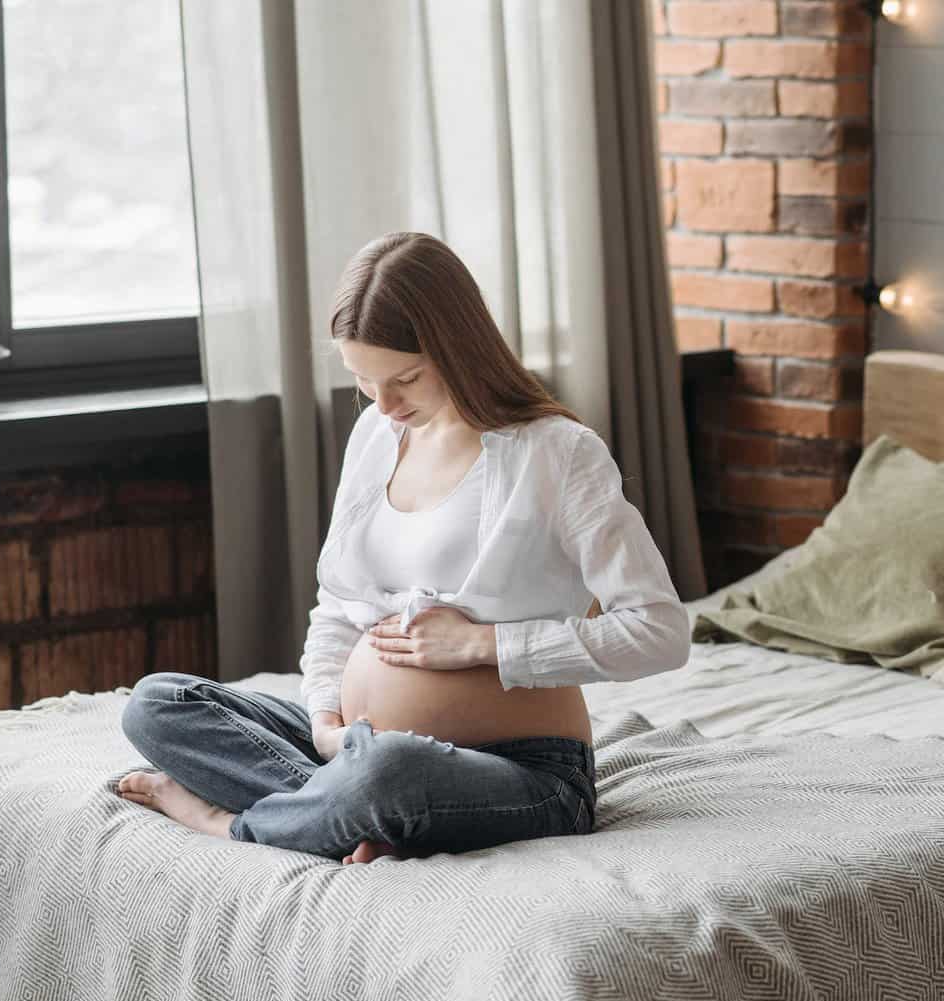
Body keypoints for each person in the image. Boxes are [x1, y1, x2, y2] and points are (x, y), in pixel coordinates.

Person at [113, 231, 690, 864]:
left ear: (457, 348)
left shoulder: (556, 453)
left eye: (405, 379)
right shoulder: (378, 435)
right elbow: (338, 606)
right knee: (159, 704)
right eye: (364, 380)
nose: (384, 404)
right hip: (356, 749)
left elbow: (660, 630)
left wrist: (481, 644)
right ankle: (342, 807)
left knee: (389, 772)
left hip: (523, 773)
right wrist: (326, 719)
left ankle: (233, 824)